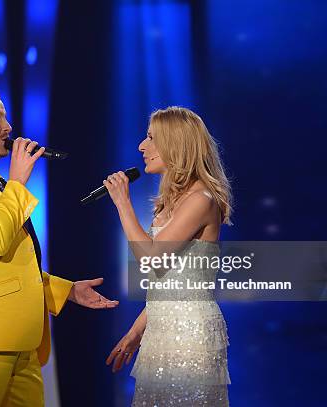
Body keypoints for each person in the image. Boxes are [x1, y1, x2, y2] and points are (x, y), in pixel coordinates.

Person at [0, 85, 118, 407]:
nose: (8, 127)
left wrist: (66, 290)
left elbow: (10, 264)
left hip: (20, 341)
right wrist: (17, 182)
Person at [103, 106, 233, 406]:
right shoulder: (170, 204)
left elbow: (151, 258)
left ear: (176, 144)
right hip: (159, 334)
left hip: (189, 336)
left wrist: (123, 202)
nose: (141, 146)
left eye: (151, 138)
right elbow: (171, 285)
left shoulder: (201, 200)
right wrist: (136, 331)